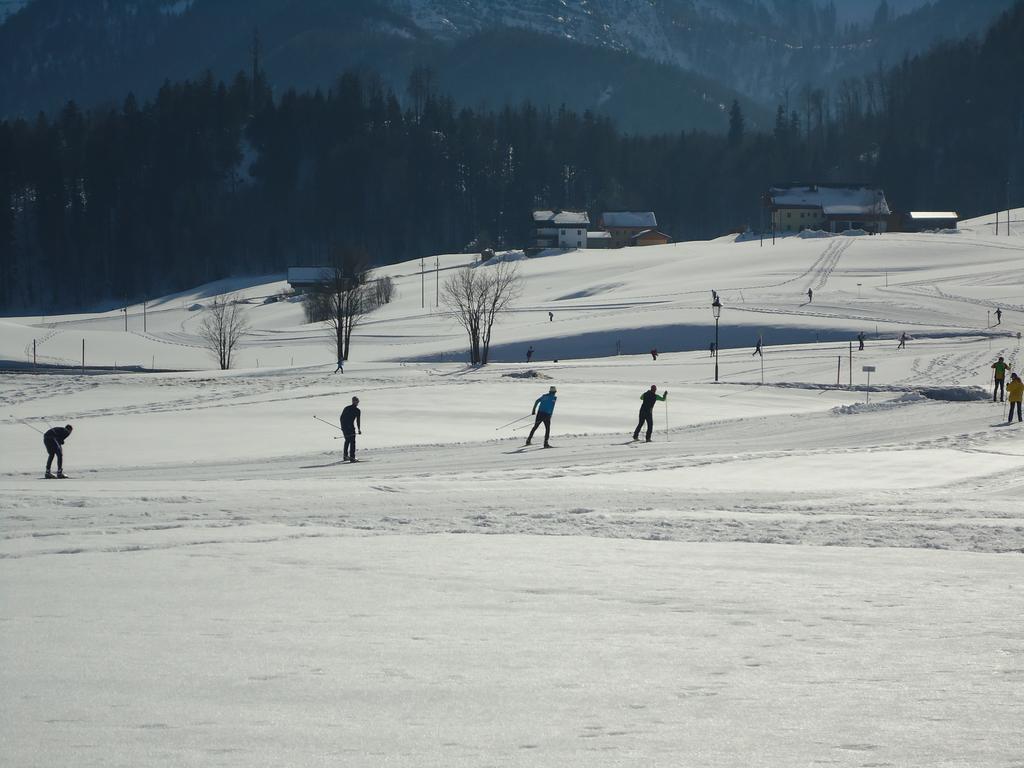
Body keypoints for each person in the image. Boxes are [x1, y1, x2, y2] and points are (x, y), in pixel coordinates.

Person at [340, 396, 362, 462]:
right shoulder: (347, 408)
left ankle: (346, 456)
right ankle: (351, 457)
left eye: (357, 401)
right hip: (347, 427)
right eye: (356, 401)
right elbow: (342, 418)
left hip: (349, 427)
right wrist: (343, 427)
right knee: (350, 441)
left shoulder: (357, 410)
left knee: (348, 441)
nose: (357, 402)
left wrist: (359, 429)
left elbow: (358, 420)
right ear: (353, 401)